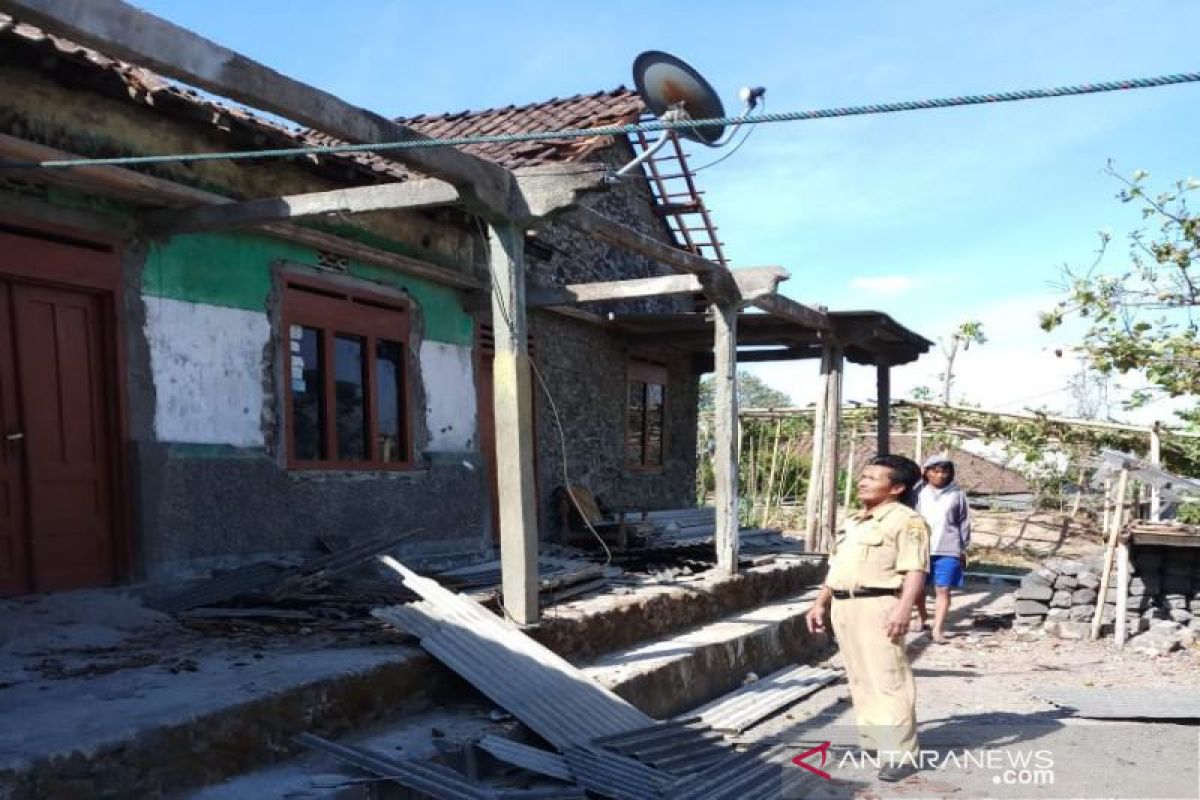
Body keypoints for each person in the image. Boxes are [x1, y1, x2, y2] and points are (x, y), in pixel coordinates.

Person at [805, 455, 930, 783]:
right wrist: (819, 603)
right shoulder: (855, 521)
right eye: (863, 476)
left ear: (897, 487)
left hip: (879, 605)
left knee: (889, 679)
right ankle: (876, 741)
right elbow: (837, 569)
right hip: (844, 606)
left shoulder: (907, 521)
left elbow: (915, 569)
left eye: (874, 477)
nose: (863, 481)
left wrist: (905, 609)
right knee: (860, 677)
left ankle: (902, 754)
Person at [913, 456, 971, 643]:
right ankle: (922, 616)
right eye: (935, 471)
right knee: (917, 588)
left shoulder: (957, 494)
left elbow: (964, 522)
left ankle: (937, 629)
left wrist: (963, 548)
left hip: (948, 547)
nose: (940, 475)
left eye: (944, 471)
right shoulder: (918, 493)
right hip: (920, 546)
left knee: (943, 589)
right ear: (926, 472)